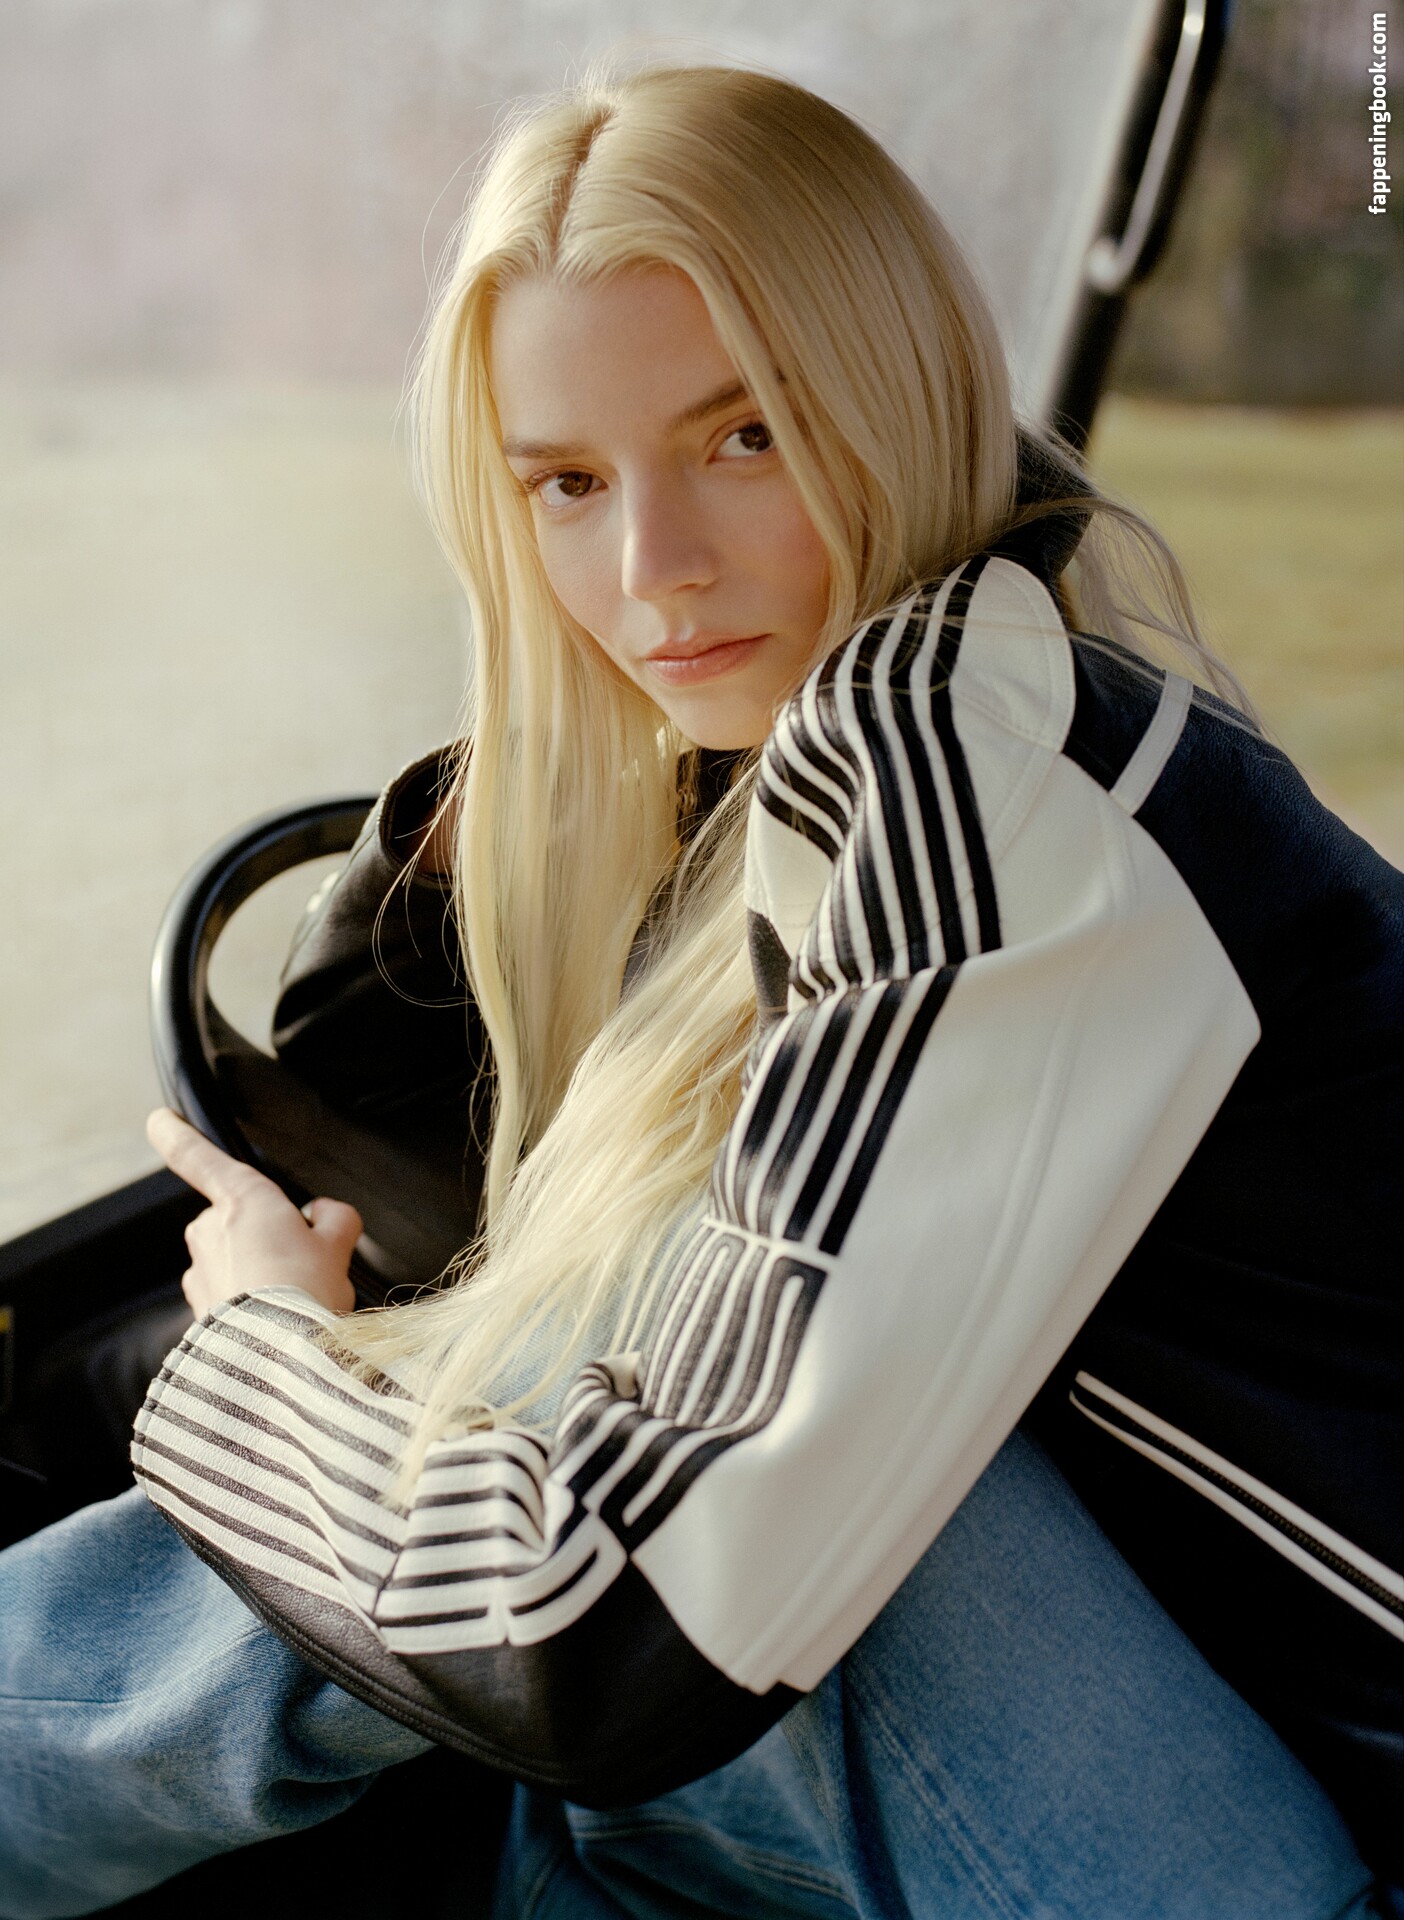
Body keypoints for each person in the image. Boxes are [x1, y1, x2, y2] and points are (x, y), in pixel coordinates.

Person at [1, 63, 1399, 1920]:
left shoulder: (970, 772)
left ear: (893, 392)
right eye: (569, 484)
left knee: (593, 1393)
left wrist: (267, 1354)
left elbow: (597, 1632)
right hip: (1218, 1748)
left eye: (748, 435)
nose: (655, 572)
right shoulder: (988, 696)